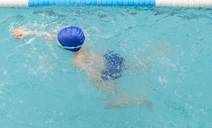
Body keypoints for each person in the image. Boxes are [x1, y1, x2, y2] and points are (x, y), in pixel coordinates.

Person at [12, 26, 152, 109]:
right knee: (131, 67)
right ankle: (153, 57)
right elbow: (49, 35)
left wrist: (101, 84)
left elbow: (94, 76)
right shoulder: (83, 42)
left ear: (65, 48)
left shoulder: (78, 61)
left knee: (111, 96)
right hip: (111, 58)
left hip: (108, 71)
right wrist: (28, 33)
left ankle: (138, 99)